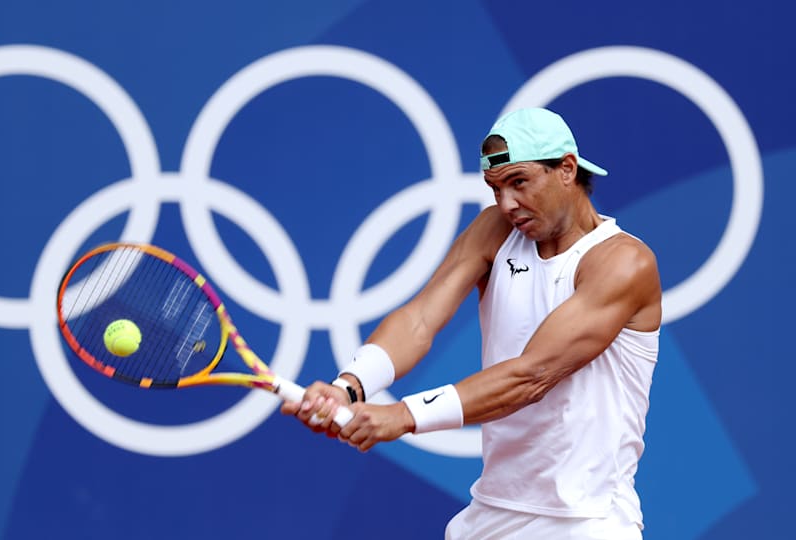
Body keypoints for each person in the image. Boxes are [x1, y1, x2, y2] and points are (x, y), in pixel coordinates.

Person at [281, 107, 661, 539]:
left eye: (519, 182)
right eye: (495, 188)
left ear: (567, 170)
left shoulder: (623, 262)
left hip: (586, 521)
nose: (506, 204)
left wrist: (404, 415)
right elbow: (420, 319)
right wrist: (349, 386)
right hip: (492, 513)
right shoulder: (495, 230)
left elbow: (532, 375)